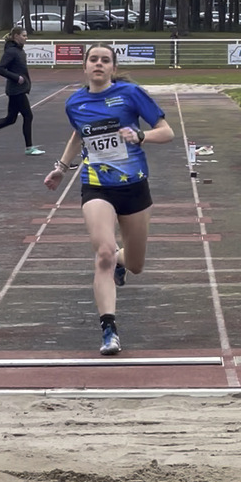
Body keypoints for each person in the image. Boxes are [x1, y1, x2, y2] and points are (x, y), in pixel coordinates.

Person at [43, 43, 174, 356]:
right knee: (103, 252)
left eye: (105, 60)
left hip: (134, 186)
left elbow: (167, 131)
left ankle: (121, 262)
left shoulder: (131, 94)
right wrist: (61, 168)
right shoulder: (75, 102)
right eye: (93, 59)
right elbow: (79, 134)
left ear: (113, 68)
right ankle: (109, 329)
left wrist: (141, 136)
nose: (99, 64)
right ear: (85, 67)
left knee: (136, 264)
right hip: (96, 185)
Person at [0, 27, 44, 154]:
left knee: (10, 119)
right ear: (16, 36)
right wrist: (16, 78)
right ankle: (29, 148)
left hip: (18, 89)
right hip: (16, 90)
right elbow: (0, 69)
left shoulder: (19, 50)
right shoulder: (11, 51)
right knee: (28, 116)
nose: (26, 38)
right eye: (24, 35)